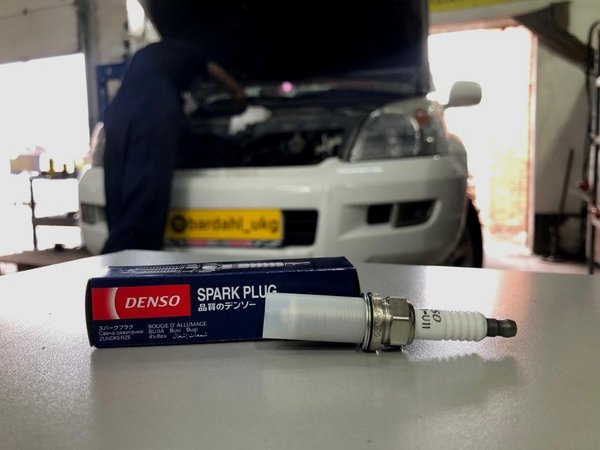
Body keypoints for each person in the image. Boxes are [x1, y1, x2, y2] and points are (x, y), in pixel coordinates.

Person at [101, 39, 245, 253]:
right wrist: (239, 94)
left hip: (118, 111)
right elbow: (222, 78)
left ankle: (117, 260)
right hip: (153, 107)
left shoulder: (150, 53)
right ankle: (133, 260)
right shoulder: (196, 52)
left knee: (119, 197)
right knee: (145, 197)